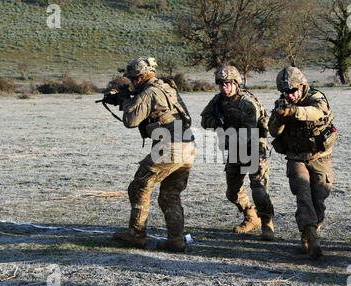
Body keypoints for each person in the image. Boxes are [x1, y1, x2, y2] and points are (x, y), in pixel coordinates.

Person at [107, 57, 196, 252]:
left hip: (169, 147)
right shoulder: (167, 87)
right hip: (187, 147)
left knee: (139, 187)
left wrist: (123, 99)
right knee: (169, 195)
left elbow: (130, 120)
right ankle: (176, 241)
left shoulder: (149, 92)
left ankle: (136, 235)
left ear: (141, 76)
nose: (132, 81)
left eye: (133, 78)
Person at [200, 65, 275, 241]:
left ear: (236, 83)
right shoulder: (218, 101)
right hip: (235, 149)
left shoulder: (247, 103)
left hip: (254, 148)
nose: (223, 87)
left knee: (258, 189)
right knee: (232, 192)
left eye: (227, 83)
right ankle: (251, 217)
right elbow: (204, 120)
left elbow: (249, 133)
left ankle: (267, 223)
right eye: (221, 84)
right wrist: (216, 124)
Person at [269, 66, 337, 258]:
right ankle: (311, 235)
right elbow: (273, 131)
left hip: (319, 157)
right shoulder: (282, 104)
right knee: (303, 194)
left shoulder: (316, 97)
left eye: (292, 91)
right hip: (296, 157)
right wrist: (280, 118)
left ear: (302, 86)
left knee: (320, 197)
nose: (289, 95)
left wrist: (293, 112)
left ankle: (311, 230)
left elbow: (316, 112)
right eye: (285, 92)